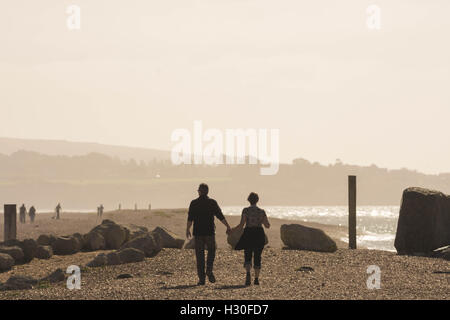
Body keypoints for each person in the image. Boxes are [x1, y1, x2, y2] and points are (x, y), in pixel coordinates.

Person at [186, 183, 232, 285]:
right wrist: (228, 226)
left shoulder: (194, 203)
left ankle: (201, 279)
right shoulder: (212, 202)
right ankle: (209, 269)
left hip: (198, 233)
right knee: (211, 251)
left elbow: (190, 218)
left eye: (198, 190)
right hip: (210, 232)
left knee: (199, 255)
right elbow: (220, 216)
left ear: (199, 192)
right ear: (207, 192)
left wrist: (187, 229)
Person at [234, 192, 270, 286]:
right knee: (258, 256)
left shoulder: (245, 210)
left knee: (248, 254)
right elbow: (267, 226)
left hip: (248, 233)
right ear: (257, 200)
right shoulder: (261, 211)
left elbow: (242, 225)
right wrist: (261, 220)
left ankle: (248, 274)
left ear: (248, 200)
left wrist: (232, 230)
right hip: (259, 234)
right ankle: (256, 279)